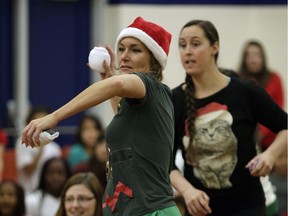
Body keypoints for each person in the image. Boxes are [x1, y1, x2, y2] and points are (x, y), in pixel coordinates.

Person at [21, 16, 181, 215]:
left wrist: (54, 116)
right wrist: (109, 80)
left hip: (151, 211)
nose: (124, 56)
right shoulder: (141, 100)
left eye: (135, 49)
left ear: (154, 60)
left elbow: (118, 85)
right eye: (121, 48)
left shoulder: (150, 84)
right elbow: (125, 115)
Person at [170, 19, 287, 216]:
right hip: (200, 209)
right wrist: (186, 190)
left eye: (195, 44)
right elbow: (164, 162)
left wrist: (270, 154)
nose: (187, 51)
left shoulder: (244, 91)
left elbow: (284, 125)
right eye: (182, 45)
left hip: (247, 205)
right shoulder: (174, 100)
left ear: (215, 47)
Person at [238, 40, 287, 216]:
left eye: (257, 55)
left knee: (275, 188)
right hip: (247, 142)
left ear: (263, 58)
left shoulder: (274, 79)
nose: (253, 59)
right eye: (249, 55)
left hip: (271, 142)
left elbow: (278, 110)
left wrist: (260, 133)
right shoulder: (239, 79)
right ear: (244, 59)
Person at [15, 106, 62, 193]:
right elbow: (28, 170)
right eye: (37, 121)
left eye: (44, 121)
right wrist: (40, 148)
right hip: (28, 192)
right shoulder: (23, 142)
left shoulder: (55, 148)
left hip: (48, 193)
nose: (41, 125)